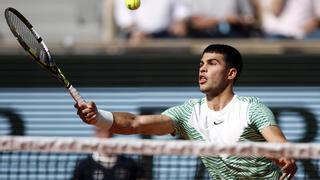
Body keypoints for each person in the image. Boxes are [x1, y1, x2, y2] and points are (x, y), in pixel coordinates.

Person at [75, 44, 297, 179]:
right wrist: (98, 117)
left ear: (231, 74)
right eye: (201, 63)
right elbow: (135, 123)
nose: (202, 68)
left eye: (212, 63)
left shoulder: (252, 108)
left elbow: (280, 144)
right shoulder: (188, 112)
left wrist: (285, 156)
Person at [72, 127, 141, 180]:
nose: (103, 134)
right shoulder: (85, 165)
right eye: (99, 131)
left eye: (107, 130)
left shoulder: (129, 163)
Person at [113, 0, 190, 44]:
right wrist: (134, 31)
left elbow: (181, 8)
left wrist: (180, 22)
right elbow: (124, 17)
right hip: (137, 38)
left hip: (167, 36)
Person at [185, 0, 259, 38]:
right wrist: (219, 20)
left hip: (233, 35)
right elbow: (194, 22)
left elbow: (250, 19)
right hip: (204, 37)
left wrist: (237, 19)